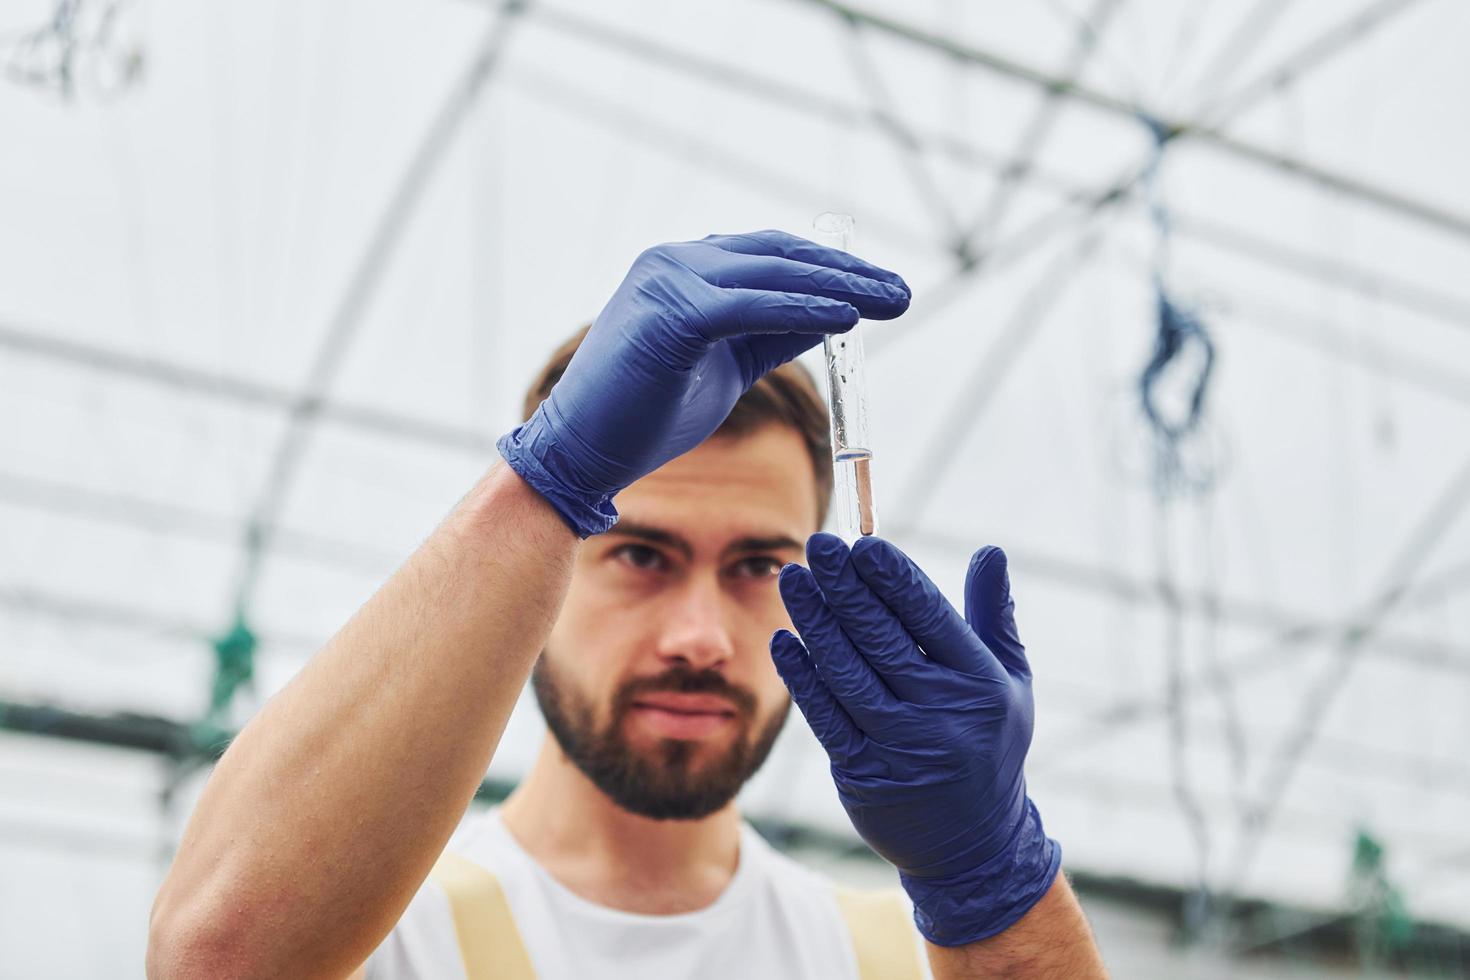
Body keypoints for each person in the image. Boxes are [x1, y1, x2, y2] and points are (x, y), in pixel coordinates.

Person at [147, 231, 1108, 979]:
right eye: (642, 554)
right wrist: (541, 486)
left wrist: (992, 874)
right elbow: (215, 961)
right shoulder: (389, 936)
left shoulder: (900, 956)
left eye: (755, 566)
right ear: (544, 574)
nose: (700, 639)